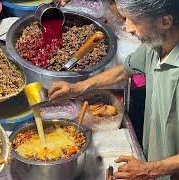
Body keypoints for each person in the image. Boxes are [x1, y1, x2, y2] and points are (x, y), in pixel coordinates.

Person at [50, 0, 179, 179]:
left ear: (165, 21)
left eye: (135, 21)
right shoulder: (156, 44)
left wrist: (152, 169)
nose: (127, 28)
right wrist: (76, 88)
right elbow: (124, 70)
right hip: (157, 158)